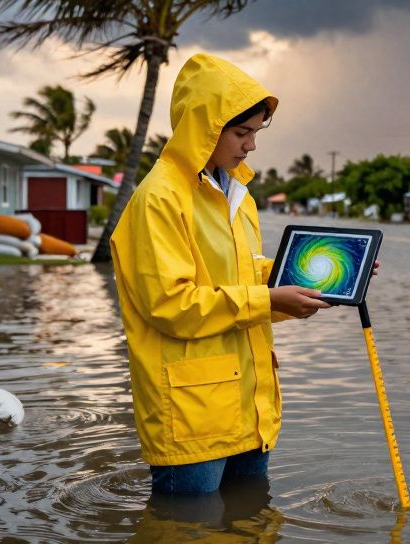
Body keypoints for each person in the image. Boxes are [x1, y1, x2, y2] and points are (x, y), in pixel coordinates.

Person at [111, 53, 333, 496]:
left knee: (249, 520)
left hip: (250, 400)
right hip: (191, 413)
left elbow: (244, 273)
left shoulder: (237, 194)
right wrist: (270, 301)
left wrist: (317, 272)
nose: (251, 145)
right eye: (241, 132)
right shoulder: (160, 198)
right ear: (204, 127)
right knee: (187, 530)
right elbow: (170, 305)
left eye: (255, 132)